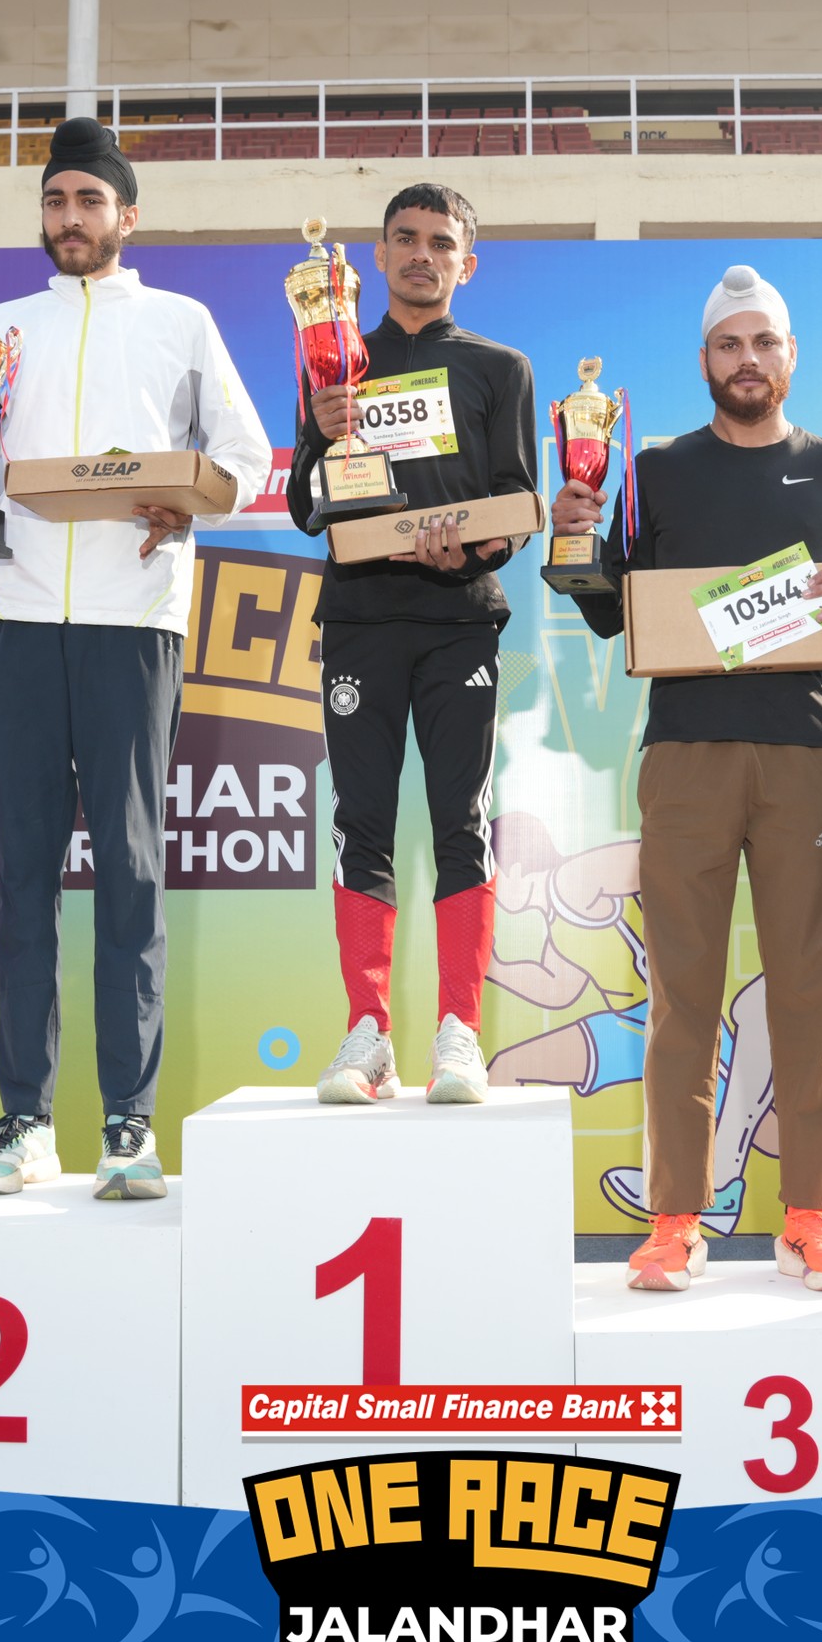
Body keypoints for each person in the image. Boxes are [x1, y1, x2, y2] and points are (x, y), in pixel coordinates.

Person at [549, 264, 822, 1295]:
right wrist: (574, 535)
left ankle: (809, 1218)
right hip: (684, 757)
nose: (747, 360)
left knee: (804, 992)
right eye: (728, 344)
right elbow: (610, 610)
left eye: (763, 342)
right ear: (705, 360)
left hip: (803, 757)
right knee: (682, 995)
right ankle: (676, 1220)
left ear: (790, 355)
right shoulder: (657, 471)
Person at [0, 116, 273, 1199]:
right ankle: (25, 1121)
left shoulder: (181, 321)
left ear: (129, 215)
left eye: (89, 200)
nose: (70, 218)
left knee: (129, 872)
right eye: (55, 201)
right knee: (23, 878)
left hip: (136, 619)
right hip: (20, 615)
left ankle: (129, 1125)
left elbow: (246, 453)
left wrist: (192, 499)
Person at [293, 183, 541, 1107]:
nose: (422, 255)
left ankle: (459, 1033)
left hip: (457, 622)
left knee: (459, 824)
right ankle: (367, 1034)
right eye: (405, 238)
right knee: (359, 822)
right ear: (379, 254)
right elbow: (305, 505)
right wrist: (323, 437)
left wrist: (469, 549)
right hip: (359, 618)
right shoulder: (334, 361)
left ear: (465, 263)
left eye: (441, 242)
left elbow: (516, 501)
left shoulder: (500, 367)